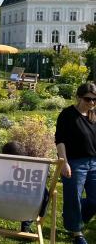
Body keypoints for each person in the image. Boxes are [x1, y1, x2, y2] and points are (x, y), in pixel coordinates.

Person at [55, 83, 96, 244]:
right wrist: (64, 162)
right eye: (88, 99)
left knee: (93, 200)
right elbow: (60, 140)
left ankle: (73, 217)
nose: (92, 103)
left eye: (95, 99)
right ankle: (76, 232)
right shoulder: (67, 115)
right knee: (73, 198)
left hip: (94, 163)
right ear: (79, 97)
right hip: (75, 163)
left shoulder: (94, 115)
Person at [0, 141, 49, 233]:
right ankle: (26, 226)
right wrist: (41, 213)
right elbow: (44, 196)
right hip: (23, 208)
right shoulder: (31, 178)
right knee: (35, 195)